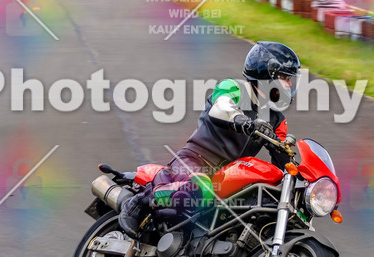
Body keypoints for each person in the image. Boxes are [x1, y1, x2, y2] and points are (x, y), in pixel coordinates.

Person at [118, 41, 301, 238]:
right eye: (285, 78)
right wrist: (245, 122)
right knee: (201, 189)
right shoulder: (234, 88)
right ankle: (139, 202)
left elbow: (284, 157)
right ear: (266, 74)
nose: (289, 85)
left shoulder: (278, 120)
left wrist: (305, 181)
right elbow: (220, 107)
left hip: (229, 176)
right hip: (195, 160)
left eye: (291, 80)